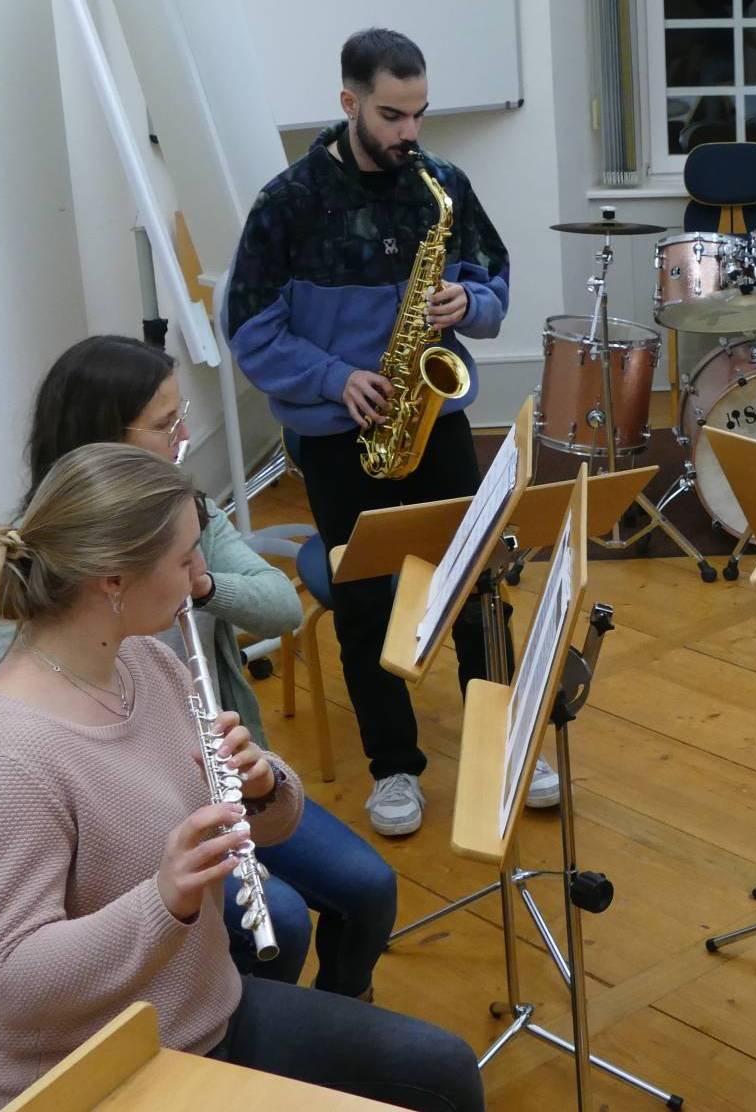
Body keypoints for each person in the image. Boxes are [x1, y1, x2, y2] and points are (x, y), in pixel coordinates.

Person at [0, 443, 481, 1112]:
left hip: (204, 1013)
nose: (200, 573)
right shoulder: (2, 760)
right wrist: (162, 899)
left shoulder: (145, 664)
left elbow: (255, 822)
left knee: (443, 1071)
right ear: (113, 579)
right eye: (184, 558)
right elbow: (14, 983)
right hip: (86, 1073)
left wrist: (263, 787)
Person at [0, 334, 396, 999]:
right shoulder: (36, 560)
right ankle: (236, 1044)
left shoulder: (183, 515)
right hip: (134, 819)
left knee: (371, 887)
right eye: (166, 424)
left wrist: (198, 584)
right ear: (103, 437)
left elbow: (282, 606)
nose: (185, 437)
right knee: (279, 922)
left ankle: (336, 1017)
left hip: (220, 782)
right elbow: (7, 717)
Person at [224, 26, 555, 836]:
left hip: (432, 414)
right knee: (367, 596)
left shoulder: (440, 185)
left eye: (419, 114)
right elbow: (250, 330)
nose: (411, 133)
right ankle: (395, 767)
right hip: (344, 434)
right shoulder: (287, 203)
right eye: (392, 114)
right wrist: (337, 378)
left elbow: (494, 281)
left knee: (478, 579)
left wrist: (465, 306)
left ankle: (502, 734)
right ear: (349, 104)